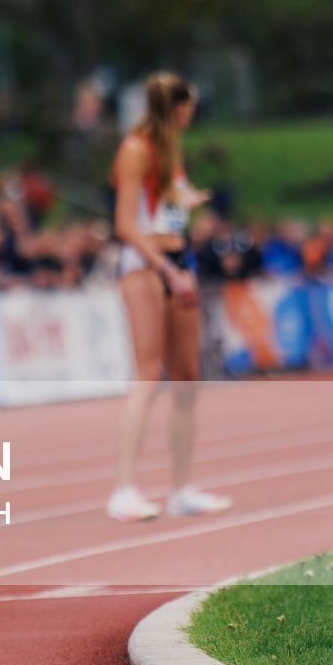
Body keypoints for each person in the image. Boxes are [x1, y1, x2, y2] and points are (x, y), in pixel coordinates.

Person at [106, 72, 230, 523]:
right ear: (179, 107)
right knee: (147, 374)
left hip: (179, 262)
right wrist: (167, 271)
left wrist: (188, 205)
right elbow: (126, 225)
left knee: (186, 378)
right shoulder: (135, 149)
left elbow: (164, 216)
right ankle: (124, 488)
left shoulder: (171, 151)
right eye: (190, 108)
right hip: (145, 268)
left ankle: (181, 488)